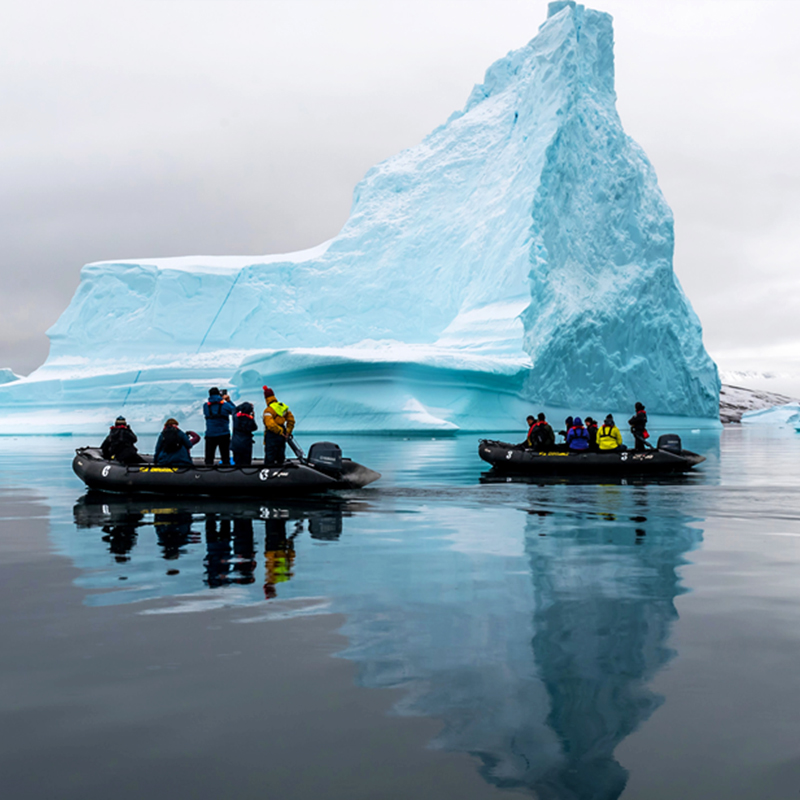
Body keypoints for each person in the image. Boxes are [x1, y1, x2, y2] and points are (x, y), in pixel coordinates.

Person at [263, 386, 295, 466]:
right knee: (280, 455)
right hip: (282, 432)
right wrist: (288, 432)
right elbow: (291, 420)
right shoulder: (283, 407)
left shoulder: (269, 410)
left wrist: (279, 431)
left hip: (273, 434)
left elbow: (270, 424)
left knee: (270, 456)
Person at [203, 387, 236, 465]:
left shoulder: (206, 406)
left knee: (209, 458)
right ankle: (226, 473)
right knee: (225, 457)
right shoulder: (225, 405)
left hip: (210, 434)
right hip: (223, 434)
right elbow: (234, 411)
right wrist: (228, 401)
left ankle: (207, 473)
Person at [231, 401, 258, 466]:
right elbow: (254, 428)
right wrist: (252, 416)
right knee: (246, 464)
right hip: (246, 444)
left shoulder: (236, 418)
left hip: (236, 444)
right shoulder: (250, 420)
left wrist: (242, 406)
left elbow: (234, 409)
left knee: (237, 463)